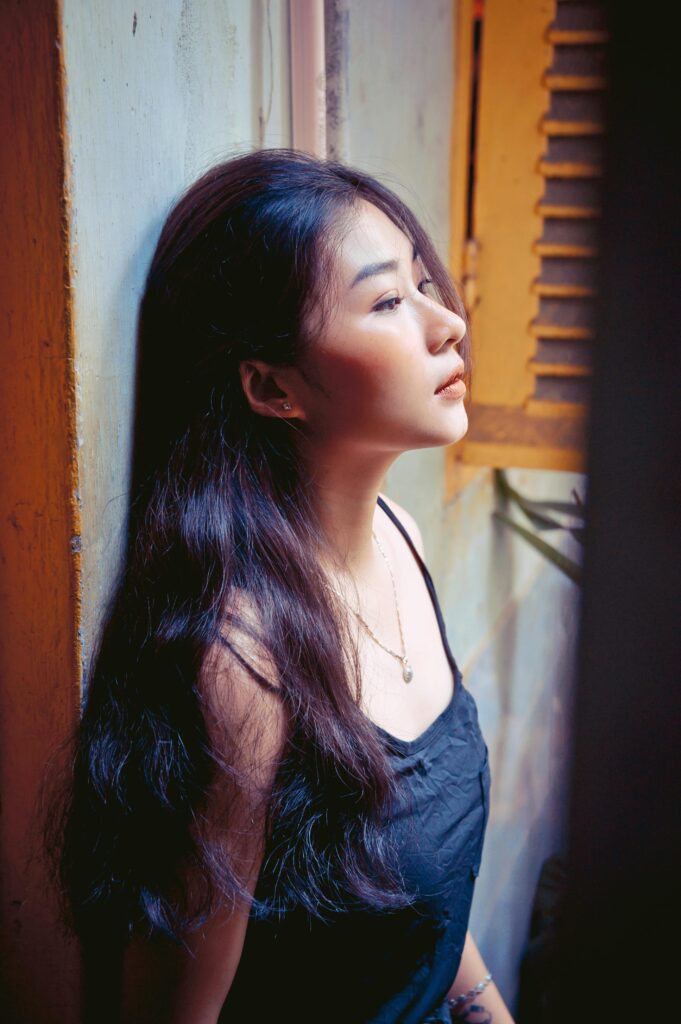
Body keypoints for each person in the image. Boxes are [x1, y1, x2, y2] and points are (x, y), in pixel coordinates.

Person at [49, 149, 515, 1023]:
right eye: (386, 301)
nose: (446, 321)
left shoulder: (401, 541)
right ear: (270, 386)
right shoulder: (241, 667)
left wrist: (486, 1006)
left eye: (422, 284)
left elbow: (419, 891)